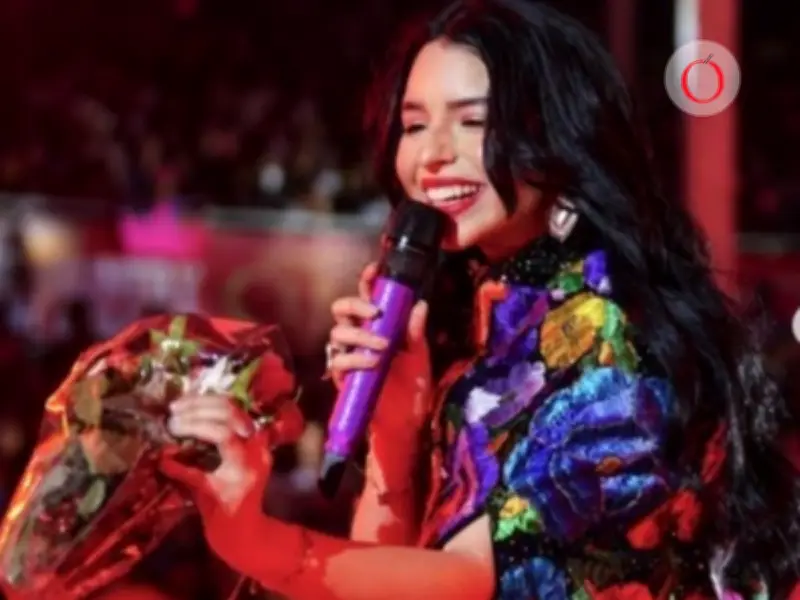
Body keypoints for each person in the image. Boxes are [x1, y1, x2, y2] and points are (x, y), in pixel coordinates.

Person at [160, 1, 800, 598]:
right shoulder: (484, 319)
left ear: (558, 140)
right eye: (414, 125)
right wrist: (393, 432)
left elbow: (464, 582)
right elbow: (395, 572)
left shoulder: (606, 330)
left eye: (474, 122)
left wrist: (252, 539)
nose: (433, 155)